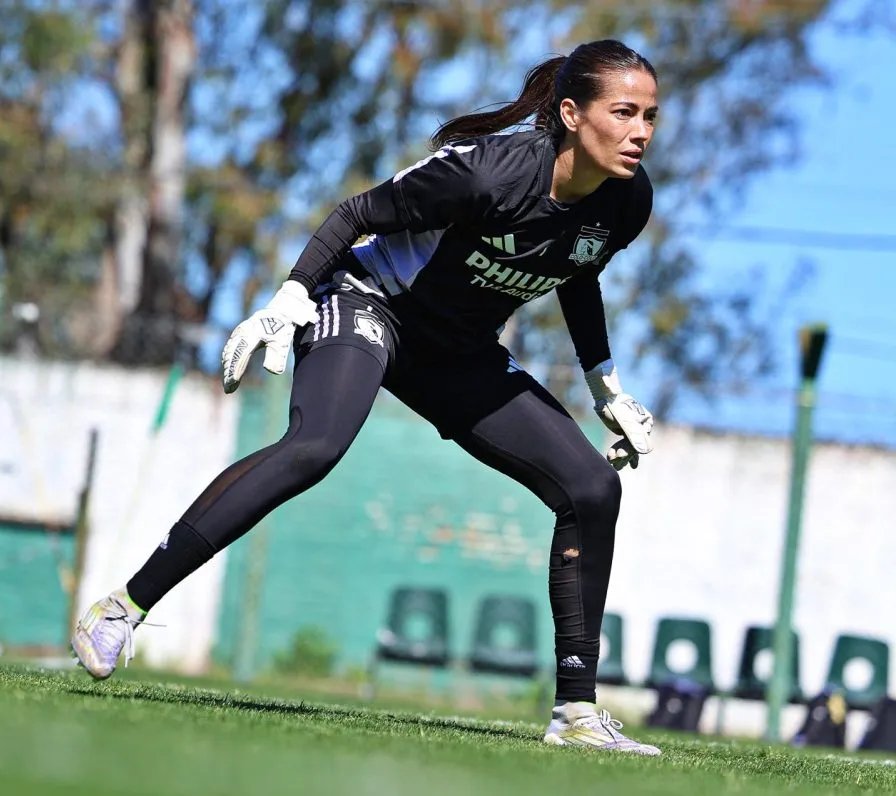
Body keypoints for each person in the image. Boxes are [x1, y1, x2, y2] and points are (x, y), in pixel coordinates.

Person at [72, 38, 661, 755]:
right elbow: (356, 214)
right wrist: (289, 297)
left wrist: (606, 387)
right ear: (571, 114)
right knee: (316, 447)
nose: (640, 132)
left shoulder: (628, 203)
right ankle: (122, 606)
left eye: (650, 116)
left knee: (593, 488)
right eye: (623, 112)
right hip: (370, 301)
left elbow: (578, 270)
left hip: (454, 352)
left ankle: (575, 716)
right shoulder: (489, 174)